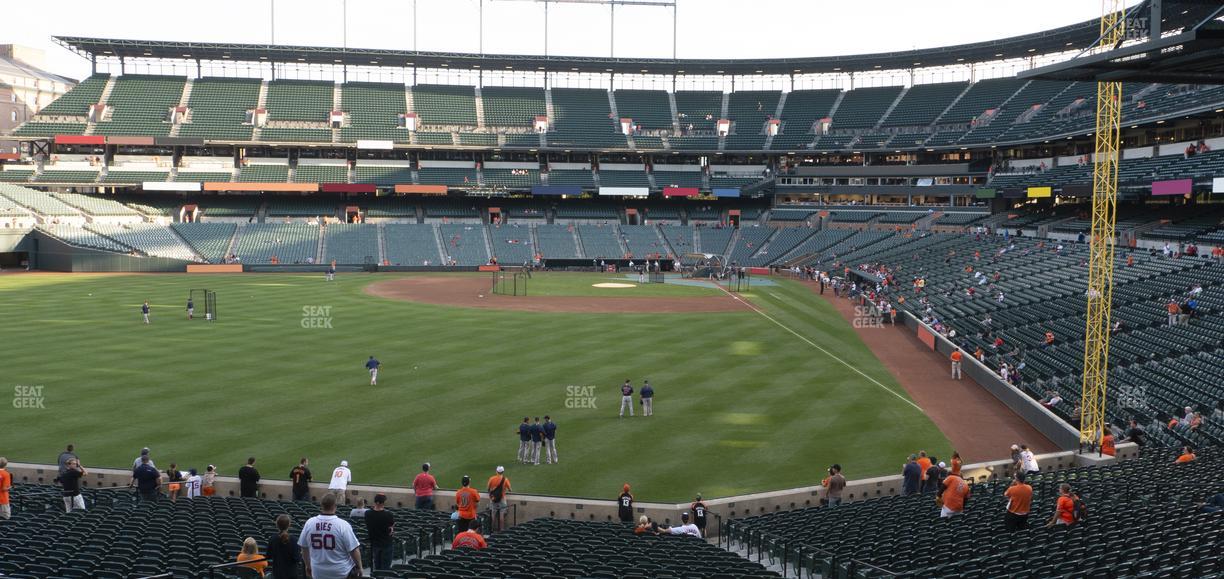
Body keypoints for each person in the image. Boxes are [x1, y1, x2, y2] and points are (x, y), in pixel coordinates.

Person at [298, 493, 362, 579]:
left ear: (321, 505)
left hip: (318, 572)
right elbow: (354, 550)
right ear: (335, 506)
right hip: (341, 572)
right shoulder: (343, 525)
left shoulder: (309, 523)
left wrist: (308, 566)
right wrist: (360, 567)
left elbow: (304, 548)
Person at [365, 493, 396, 571]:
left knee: (377, 567)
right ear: (383, 503)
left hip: (374, 543)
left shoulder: (367, 513)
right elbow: (391, 526)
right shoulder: (388, 514)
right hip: (386, 544)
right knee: (385, 568)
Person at [267, 514, 301, 579]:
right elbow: (297, 558)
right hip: (291, 574)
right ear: (289, 525)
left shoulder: (272, 539)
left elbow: (268, 555)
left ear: (277, 525)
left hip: (277, 573)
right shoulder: (294, 540)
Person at [487, 466, 512, 531]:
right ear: (503, 472)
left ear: (496, 471)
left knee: (493, 514)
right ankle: (501, 530)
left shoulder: (492, 478)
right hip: (502, 498)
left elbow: (488, 488)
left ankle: (491, 529)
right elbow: (510, 489)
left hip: (493, 498)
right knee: (501, 514)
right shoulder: (505, 479)